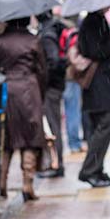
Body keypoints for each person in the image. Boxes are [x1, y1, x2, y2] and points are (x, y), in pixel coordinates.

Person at [0, 17, 46, 201]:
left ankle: (1, 183)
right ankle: (27, 184)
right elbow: (42, 69)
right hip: (29, 89)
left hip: (6, 90)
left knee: (6, 138)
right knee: (30, 137)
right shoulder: (33, 40)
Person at [77, 8, 110, 187]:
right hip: (100, 85)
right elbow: (94, 50)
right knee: (104, 125)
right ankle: (89, 170)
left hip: (102, 84)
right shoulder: (92, 22)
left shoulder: (96, 20)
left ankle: (97, 170)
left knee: (101, 127)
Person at [37, 10, 67, 178]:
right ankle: (56, 163)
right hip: (55, 85)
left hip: (50, 87)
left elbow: (53, 61)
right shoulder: (53, 28)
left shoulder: (47, 34)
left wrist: (44, 78)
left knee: (52, 125)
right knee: (53, 124)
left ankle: (57, 164)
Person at [60, 25, 85, 153]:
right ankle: (74, 143)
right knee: (73, 111)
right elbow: (74, 58)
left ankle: (72, 142)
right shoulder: (73, 34)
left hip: (62, 76)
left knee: (67, 112)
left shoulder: (62, 32)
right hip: (71, 77)